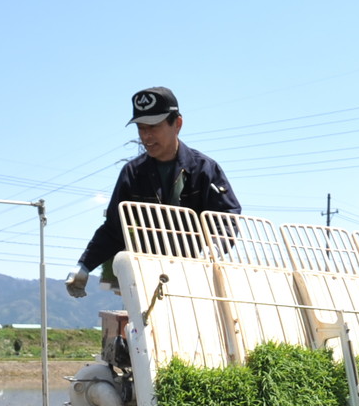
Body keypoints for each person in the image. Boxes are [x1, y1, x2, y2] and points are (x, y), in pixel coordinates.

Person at [65, 87, 240, 298]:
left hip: (196, 278)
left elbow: (226, 218)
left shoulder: (204, 169)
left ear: (177, 124)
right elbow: (114, 229)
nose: (146, 136)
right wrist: (84, 265)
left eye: (154, 127)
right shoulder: (133, 173)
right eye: (141, 128)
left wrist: (212, 253)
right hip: (149, 278)